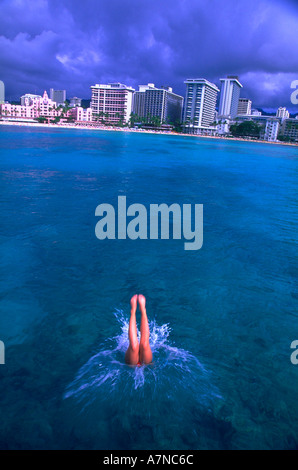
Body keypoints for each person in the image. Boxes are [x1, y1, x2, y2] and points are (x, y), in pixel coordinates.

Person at [125, 294, 153, 366]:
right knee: (138, 345)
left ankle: (137, 311)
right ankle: (138, 311)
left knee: (142, 345)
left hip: (138, 366)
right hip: (145, 364)